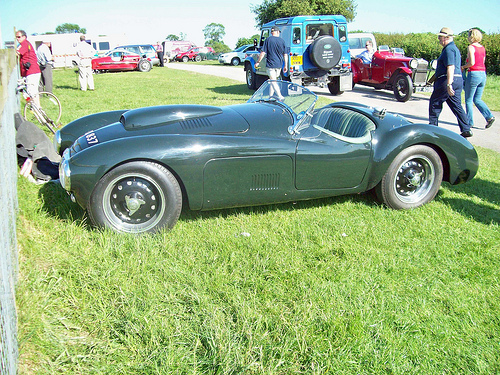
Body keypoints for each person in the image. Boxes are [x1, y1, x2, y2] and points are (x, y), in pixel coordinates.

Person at [429, 27, 472, 138]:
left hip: (447, 80)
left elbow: (450, 67)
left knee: (435, 103)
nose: (439, 39)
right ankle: (466, 129)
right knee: (456, 105)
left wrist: (448, 84)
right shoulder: (454, 49)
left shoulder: (448, 50)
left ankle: (432, 128)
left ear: (446, 38)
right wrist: (430, 81)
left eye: (440, 37)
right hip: (457, 79)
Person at [461, 28, 495, 129]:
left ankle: (469, 122)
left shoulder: (471, 47)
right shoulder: (482, 48)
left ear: (471, 36)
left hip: (474, 73)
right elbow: (482, 61)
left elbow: (472, 63)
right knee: (477, 99)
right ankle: (489, 116)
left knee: (468, 99)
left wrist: (463, 67)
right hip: (482, 74)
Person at [254, 26, 288, 100]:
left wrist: (258, 62)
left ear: (272, 32)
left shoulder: (268, 40)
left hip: (270, 65)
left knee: (273, 81)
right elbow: (285, 54)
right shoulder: (282, 41)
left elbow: (263, 52)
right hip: (279, 65)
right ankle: (270, 97)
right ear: (277, 32)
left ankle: (280, 96)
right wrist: (285, 65)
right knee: (273, 80)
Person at [15, 30, 41, 106]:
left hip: (32, 71)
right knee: (30, 91)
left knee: (32, 92)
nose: (17, 39)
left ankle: (37, 108)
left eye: (19, 37)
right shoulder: (24, 44)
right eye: (16, 37)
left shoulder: (24, 44)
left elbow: (17, 53)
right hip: (29, 71)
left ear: (24, 37)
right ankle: (35, 107)